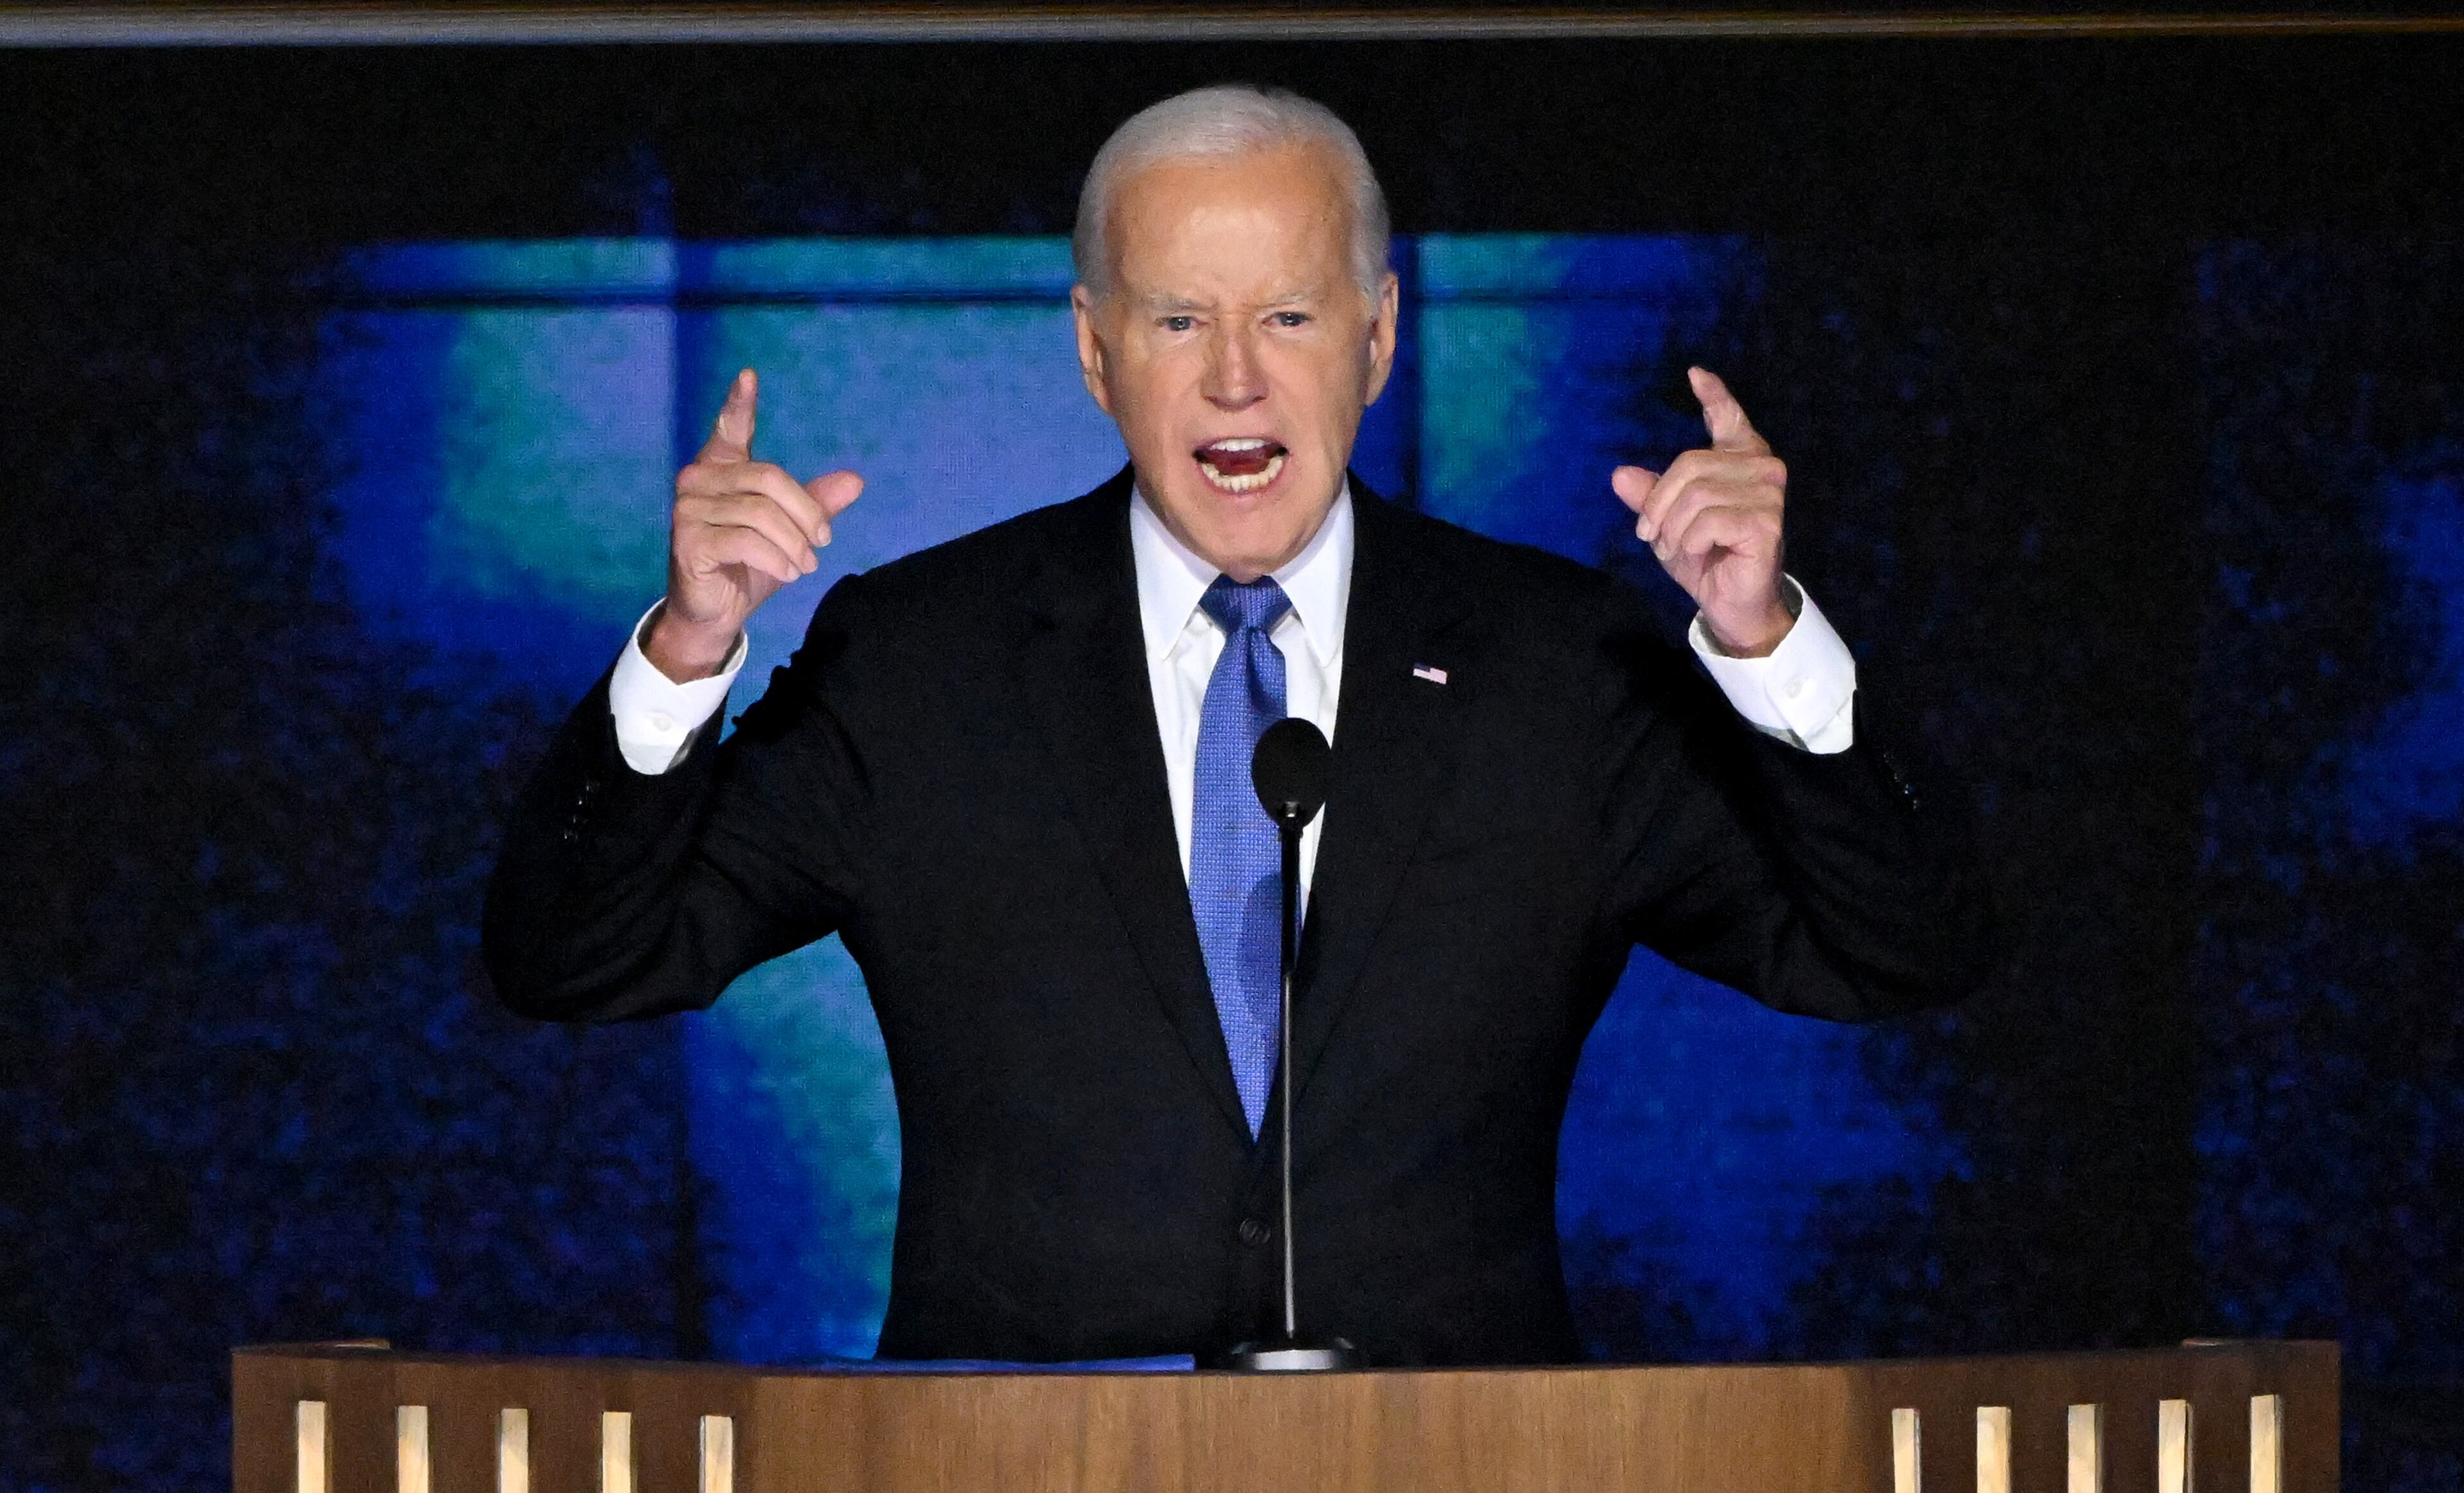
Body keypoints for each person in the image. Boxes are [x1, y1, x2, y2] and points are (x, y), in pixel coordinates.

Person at [483, 85, 1992, 1367]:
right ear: (1093, 349)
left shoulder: (1553, 664)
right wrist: (689, 646)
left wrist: (1769, 642)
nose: (1232, 378)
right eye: (1177, 317)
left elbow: (1899, 948)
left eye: (1287, 313)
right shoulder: (923, 659)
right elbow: (580, 955)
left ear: (1380, 333)